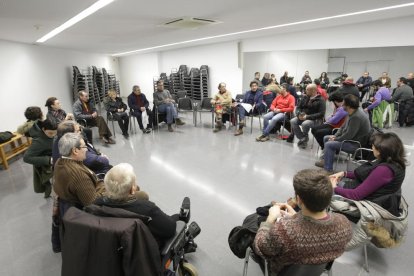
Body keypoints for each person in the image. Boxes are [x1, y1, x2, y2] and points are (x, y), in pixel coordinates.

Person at [253, 169, 352, 275]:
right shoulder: (344, 224)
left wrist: (270, 219)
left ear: (299, 200)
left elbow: (261, 248)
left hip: (281, 272)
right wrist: (295, 217)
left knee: (252, 221)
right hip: (315, 271)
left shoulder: (284, 230)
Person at [94, 163, 181, 248]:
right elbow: (170, 230)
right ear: (132, 190)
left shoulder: (96, 205)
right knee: (177, 218)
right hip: (142, 251)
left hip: (112, 248)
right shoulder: (147, 209)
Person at [330, 132, 406, 216]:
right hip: (371, 194)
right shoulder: (396, 162)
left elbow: (356, 195)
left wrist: (334, 187)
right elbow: (369, 175)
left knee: (325, 187)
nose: (372, 148)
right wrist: (344, 173)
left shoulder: (384, 170)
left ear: (380, 151)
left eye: (373, 146)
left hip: (366, 203)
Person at [315, 94, 371, 172]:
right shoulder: (351, 112)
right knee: (326, 138)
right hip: (351, 140)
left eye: (343, 103)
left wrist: (336, 139)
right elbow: (342, 127)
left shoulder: (356, 117)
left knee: (329, 144)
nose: (341, 105)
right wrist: (335, 136)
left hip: (356, 144)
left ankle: (328, 169)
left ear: (348, 105)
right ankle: (326, 160)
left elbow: (349, 135)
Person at [53, 132, 106, 207]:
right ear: (75, 151)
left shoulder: (59, 161)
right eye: (84, 147)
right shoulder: (79, 176)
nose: (86, 150)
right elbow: (92, 204)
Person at [23, 119, 57, 197]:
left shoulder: (52, 134)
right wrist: (49, 160)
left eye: (55, 133)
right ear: (43, 129)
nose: (53, 135)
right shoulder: (39, 141)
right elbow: (26, 158)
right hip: (47, 165)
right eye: (50, 133)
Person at [287, 84, 326, 149]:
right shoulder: (305, 97)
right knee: (293, 121)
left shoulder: (321, 100)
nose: (305, 91)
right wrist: (299, 114)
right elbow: (298, 107)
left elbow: (321, 114)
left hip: (316, 119)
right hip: (303, 116)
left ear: (313, 90)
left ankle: (303, 139)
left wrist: (307, 117)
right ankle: (303, 138)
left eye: (307, 90)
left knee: (305, 124)